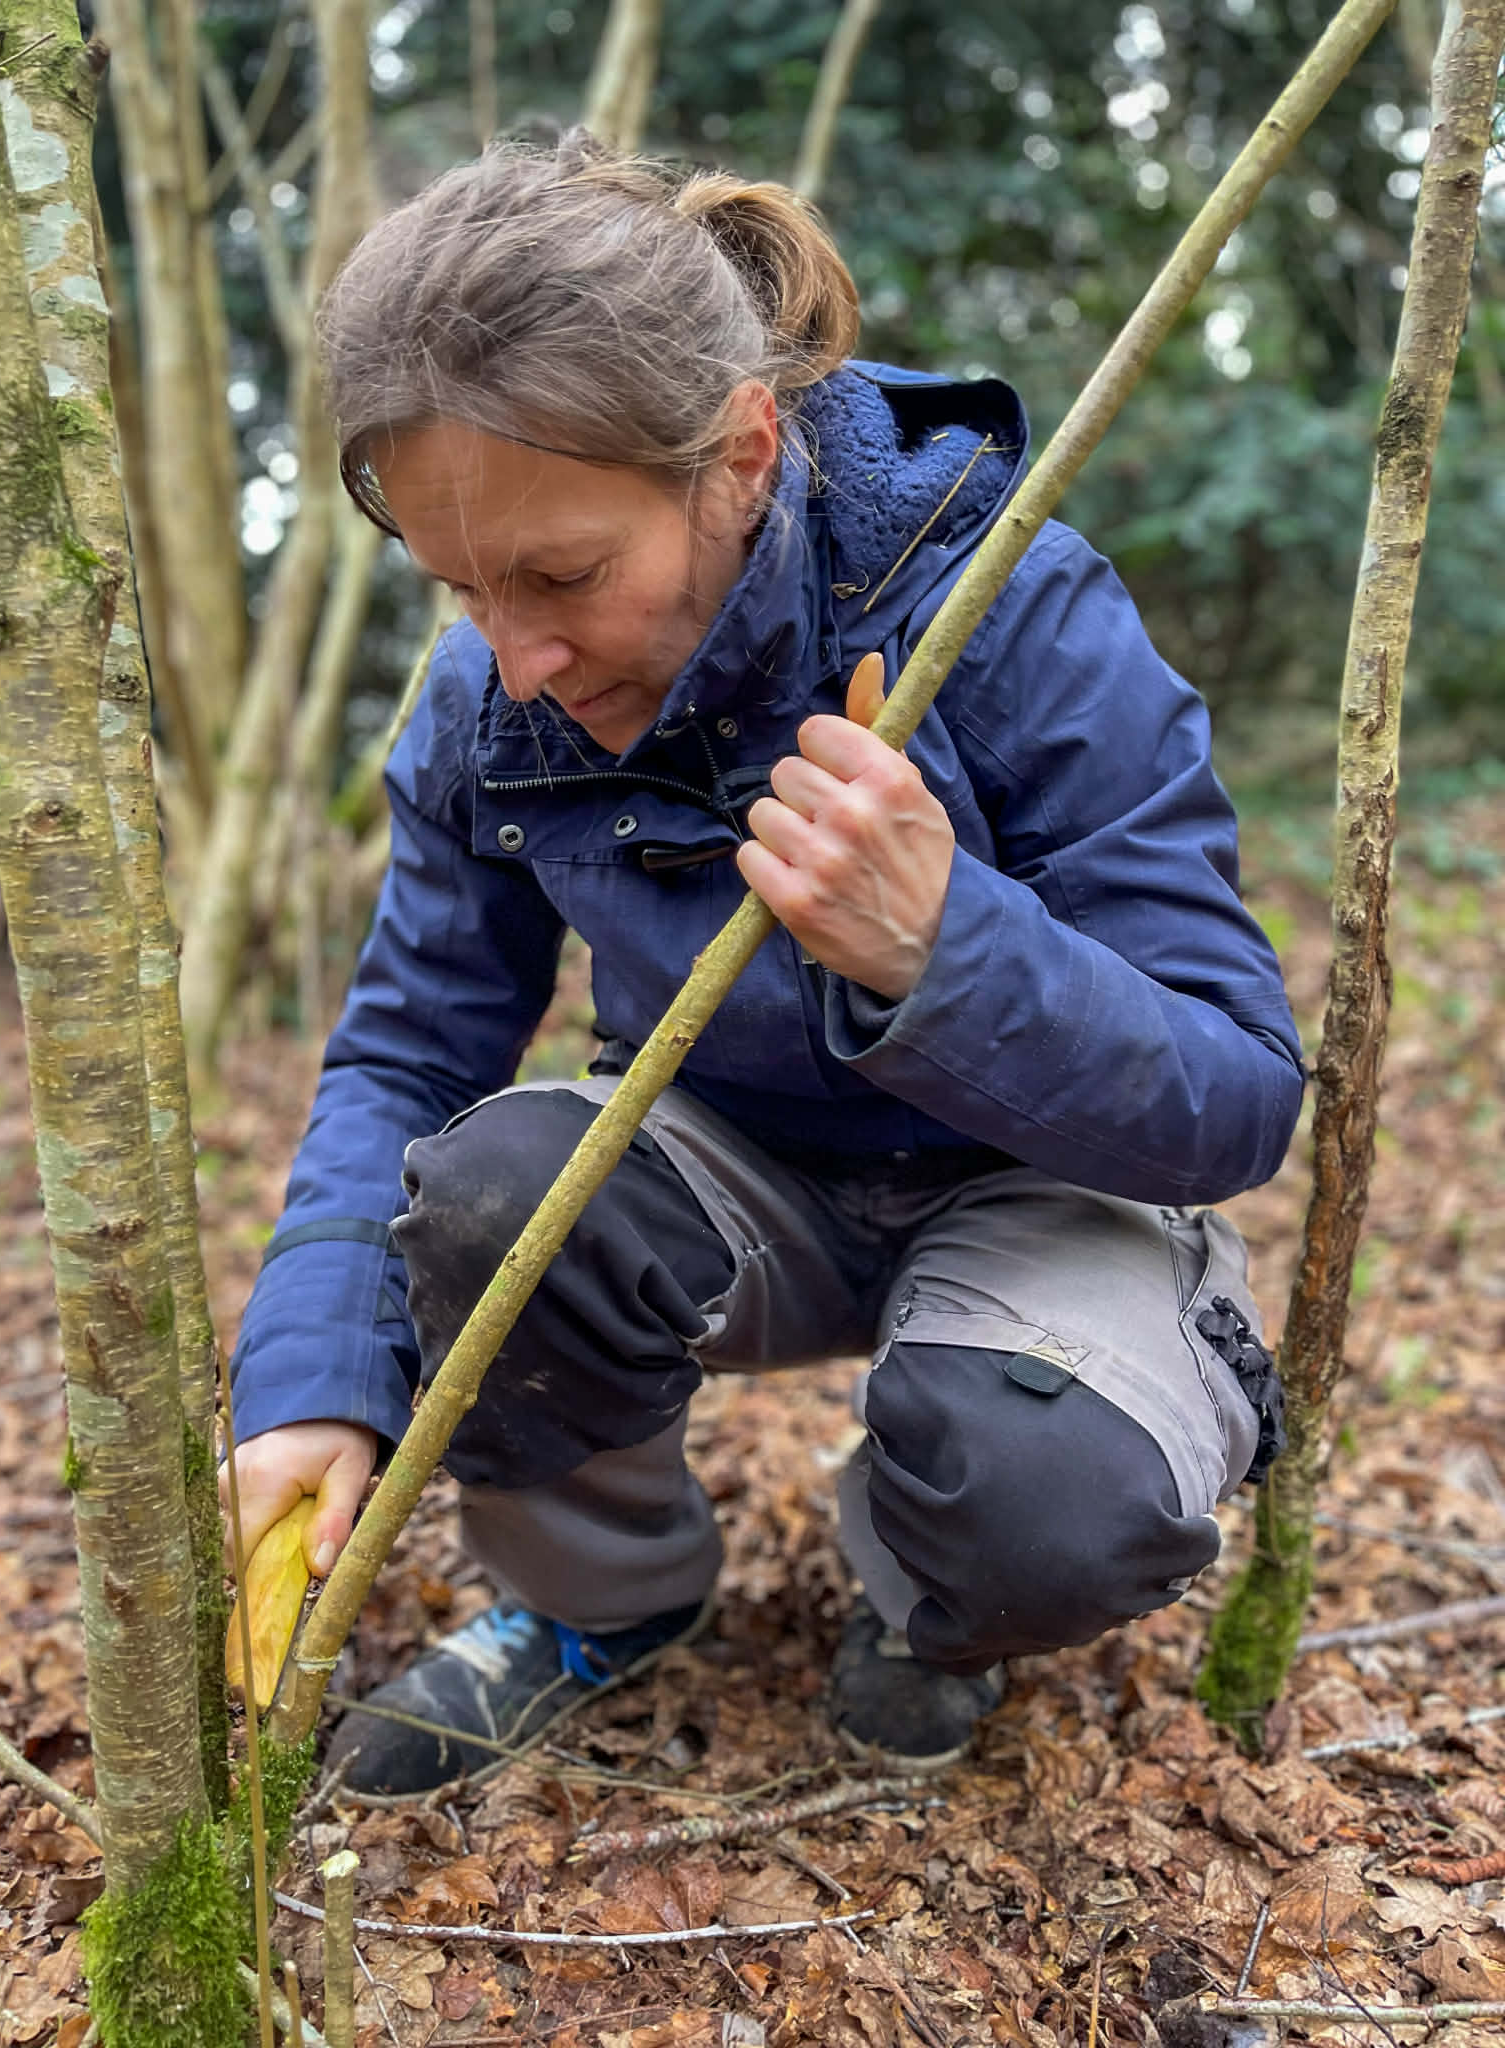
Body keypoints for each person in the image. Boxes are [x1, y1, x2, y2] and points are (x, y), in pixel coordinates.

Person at [225, 132, 1302, 1796]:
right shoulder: (488, 702)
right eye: (461, 587)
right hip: (734, 1180)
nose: (518, 654)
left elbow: (1235, 1096)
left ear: (739, 452)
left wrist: (948, 952)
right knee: (487, 1187)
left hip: (1041, 1179)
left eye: (565, 575)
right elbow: (408, 1062)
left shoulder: (1008, 611)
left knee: (1052, 1492)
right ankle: (603, 1601)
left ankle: (936, 1602)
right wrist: (308, 1384)